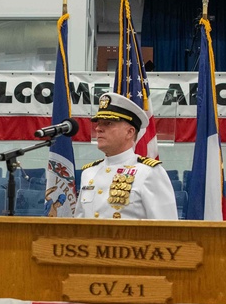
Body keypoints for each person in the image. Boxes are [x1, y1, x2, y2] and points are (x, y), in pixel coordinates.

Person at [74, 92, 177, 220]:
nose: (98, 129)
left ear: (129, 132)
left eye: (108, 123)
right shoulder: (89, 173)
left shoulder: (148, 173)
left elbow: (167, 229)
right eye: (99, 123)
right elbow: (79, 226)